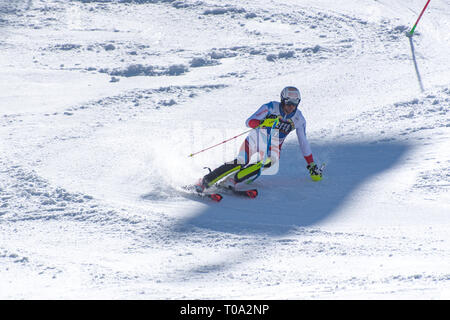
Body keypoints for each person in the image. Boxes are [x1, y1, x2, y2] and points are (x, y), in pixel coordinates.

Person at [195, 86, 322, 192]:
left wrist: (311, 164)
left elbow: (303, 142)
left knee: (270, 161)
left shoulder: (299, 119)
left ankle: (232, 180)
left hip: (273, 145)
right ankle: (205, 181)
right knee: (241, 161)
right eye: (288, 103)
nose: (291, 107)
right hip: (255, 139)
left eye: (295, 104)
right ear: (282, 100)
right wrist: (263, 122)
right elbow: (249, 122)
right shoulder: (271, 107)